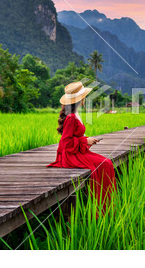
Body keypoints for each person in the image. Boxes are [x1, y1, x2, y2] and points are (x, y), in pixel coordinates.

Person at [47, 81, 117, 213]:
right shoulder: (72, 117)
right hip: (70, 156)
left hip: (77, 152)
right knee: (105, 164)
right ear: (81, 98)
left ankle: (105, 206)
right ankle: (102, 208)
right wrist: (85, 141)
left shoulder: (75, 114)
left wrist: (86, 140)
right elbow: (66, 143)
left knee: (107, 163)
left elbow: (74, 136)